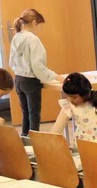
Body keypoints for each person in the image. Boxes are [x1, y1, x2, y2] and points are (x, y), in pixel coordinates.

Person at [9, 8, 64, 136]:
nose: (40, 29)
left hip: (18, 79)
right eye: (40, 26)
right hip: (31, 81)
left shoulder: (16, 37)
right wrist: (55, 76)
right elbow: (37, 66)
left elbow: (11, 62)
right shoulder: (33, 39)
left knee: (25, 113)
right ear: (34, 23)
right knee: (34, 114)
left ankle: (24, 137)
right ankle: (34, 140)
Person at [52, 72, 97, 149]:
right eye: (68, 96)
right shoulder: (69, 106)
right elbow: (55, 131)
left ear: (85, 94)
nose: (70, 100)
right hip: (84, 146)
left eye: (74, 97)